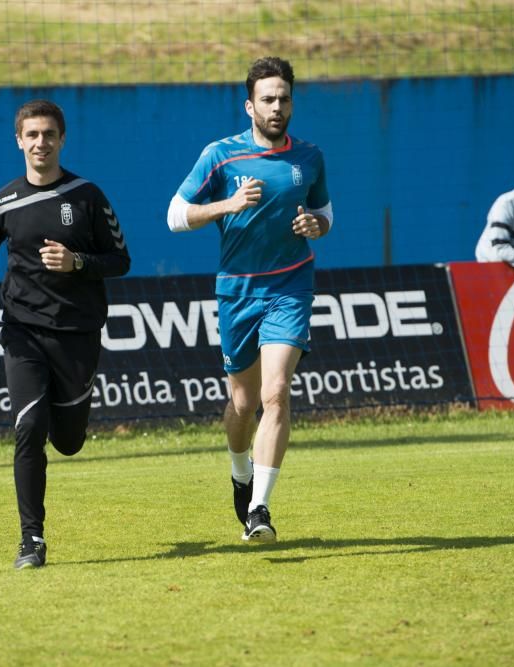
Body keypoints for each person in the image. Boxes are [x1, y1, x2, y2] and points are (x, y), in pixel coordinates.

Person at [166, 56, 332, 544]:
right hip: (237, 290)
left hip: (291, 283)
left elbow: (324, 214)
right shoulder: (220, 155)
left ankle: (259, 507)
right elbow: (175, 216)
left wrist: (315, 226)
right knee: (241, 404)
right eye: (267, 99)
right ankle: (241, 474)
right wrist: (227, 205)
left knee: (275, 392)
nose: (277, 107)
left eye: (283, 98)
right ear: (249, 106)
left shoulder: (310, 156)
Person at [0, 99, 130, 569]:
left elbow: (121, 260)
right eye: (31, 135)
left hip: (77, 334)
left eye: (48, 134)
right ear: (19, 140)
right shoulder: (4, 202)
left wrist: (78, 263)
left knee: (70, 440)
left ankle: (68, 416)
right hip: (22, 332)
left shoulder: (87, 195)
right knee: (29, 428)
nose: (40, 142)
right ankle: (30, 541)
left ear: (62, 139)